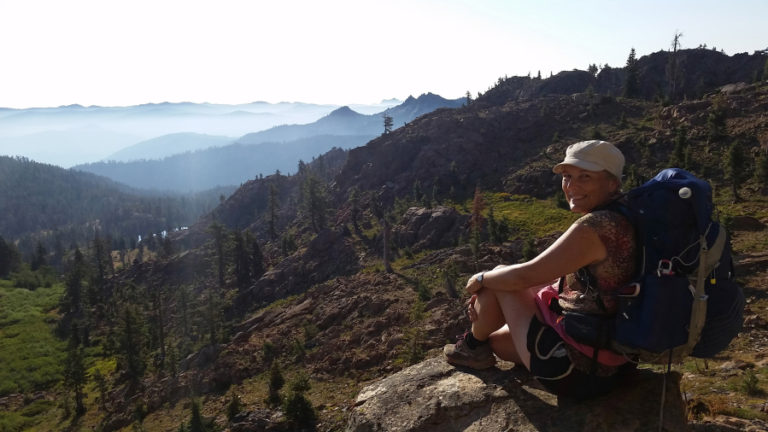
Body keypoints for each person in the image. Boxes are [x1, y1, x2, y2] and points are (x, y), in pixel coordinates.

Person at [443, 140, 637, 398]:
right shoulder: (628, 214)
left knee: (501, 276)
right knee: (498, 341)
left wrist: (480, 279)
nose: (572, 186)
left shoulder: (597, 227)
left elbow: (524, 276)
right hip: (616, 359)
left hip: (579, 371)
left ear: (612, 182)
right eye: (567, 176)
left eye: (585, 177)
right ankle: (479, 343)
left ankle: (469, 346)